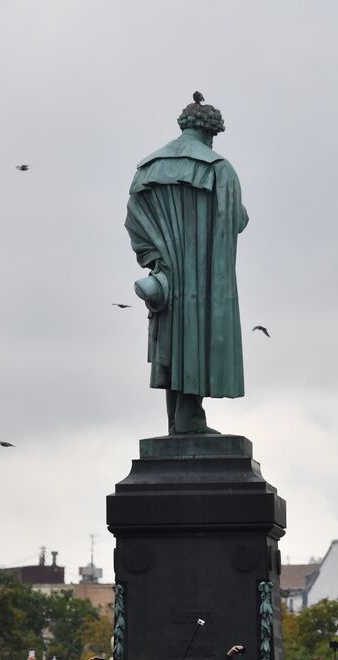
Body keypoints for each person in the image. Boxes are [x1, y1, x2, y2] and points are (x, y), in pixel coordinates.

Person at [126, 92, 249, 435]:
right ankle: (189, 420)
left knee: (174, 343)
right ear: (212, 133)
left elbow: (134, 221)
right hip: (206, 277)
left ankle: (181, 422)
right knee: (196, 340)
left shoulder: (147, 169)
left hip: (167, 277)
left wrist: (154, 260)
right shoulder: (219, 170)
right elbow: (232, 222)